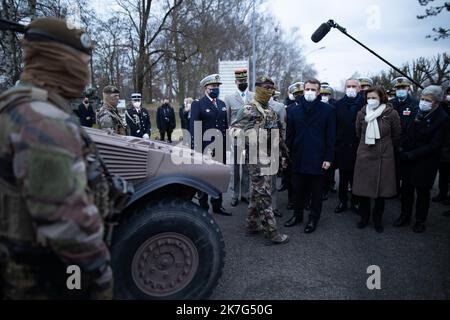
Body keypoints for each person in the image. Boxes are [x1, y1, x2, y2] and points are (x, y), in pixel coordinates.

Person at [0, 17, 113, 299]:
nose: (85, 76)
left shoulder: (17, 103)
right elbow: (67, 227)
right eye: (83, 65)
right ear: (62, 61)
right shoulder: (42, 120)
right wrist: (99, 274)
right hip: (43, 278)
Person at [231, 76, 289, 244]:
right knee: (264, 194)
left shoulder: (270, 111)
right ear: (257, 88)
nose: (269, 91)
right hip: (255, 158)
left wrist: (282, 154)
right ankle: (272, 232)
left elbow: (278, 135)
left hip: (270, 156)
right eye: (266, 87)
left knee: (258, 192)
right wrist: (249, 135)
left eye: (272, 88)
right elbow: (232, 130)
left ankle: (251, 224)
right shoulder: (248, 109)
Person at [394, 85, 448, 233]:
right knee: (406, 190)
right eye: (422, 99)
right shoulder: (417, 111)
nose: (423, 102)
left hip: (426, 161)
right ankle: (404, 216)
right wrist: (401, 147)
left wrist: (412, 154)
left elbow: (434, 145)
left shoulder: (442, 118)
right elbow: (407, 130)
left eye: (427, 100)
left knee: (422, 192)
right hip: (408, 158)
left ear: (436, 102)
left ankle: (420, 220)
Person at [285, 79, 336, 234]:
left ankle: (313, 218)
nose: (309, 92)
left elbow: (331, 137)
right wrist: (286, 156)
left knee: (316, 192)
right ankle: (297, 215)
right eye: (307, 89)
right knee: (297, 189)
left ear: (318, 92)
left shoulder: (328, 110)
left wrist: (328, 158)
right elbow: (289, 136)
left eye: (313, 89)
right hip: (298, 157)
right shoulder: (294, 110)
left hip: (318, 158)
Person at [352, 87, 401, 233]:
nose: (371, 100)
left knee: (381, 192)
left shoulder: (391, 113)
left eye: (374, 97)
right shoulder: (362, 113)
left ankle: (378, 220)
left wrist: (385, 146)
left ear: (382, 98)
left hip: (383, 156)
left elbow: (397, 135)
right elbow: (357, 132)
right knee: (363, 190)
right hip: (364, 154)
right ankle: (364, 218)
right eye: (368, 98)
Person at [190, 74, 231, 216]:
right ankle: (203, 207)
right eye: (213, 87)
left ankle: (217, 205)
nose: (216, 89)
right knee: (204, 177)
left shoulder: (221, 104)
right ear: (205, 88)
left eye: (217, 86)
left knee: (218, 176)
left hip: (220, 148)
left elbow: (225, 126)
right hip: (205, 148)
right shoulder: (198, 104)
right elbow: (194, 128)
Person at [334, 79, 366, 213]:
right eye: (348, 86)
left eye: (354, 86)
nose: (351, 88)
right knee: (343, 176)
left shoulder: (365, 104)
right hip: (342, 146)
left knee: (357, 177)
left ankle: (356, 201)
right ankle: (342, 201)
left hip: (359, 146)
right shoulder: (338, 104)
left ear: (359, 88)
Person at [224, 68, 254, 207]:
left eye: (244, 81)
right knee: (235, 167)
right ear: (236, 82)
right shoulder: (229, 98)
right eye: (240, 81)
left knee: (247, 166)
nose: (242, 83)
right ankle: (235, 194)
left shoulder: (253, 97)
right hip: (236, 137)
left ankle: (246, 193)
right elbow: (227, 118)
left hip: (250, 136)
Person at [391, 77, 419, 195]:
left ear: (408, 88)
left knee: (406, 171)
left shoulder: (415, 104)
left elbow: (413, 125)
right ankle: (395, 189)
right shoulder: (391, 103)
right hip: (392, 142)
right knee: (393, 169)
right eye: (398, 88)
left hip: (407, 143)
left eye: (403, 87)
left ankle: (405, 192)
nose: (400, 90)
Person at [320, 83, 337, 199]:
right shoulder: (317, 105)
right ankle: (321, 189)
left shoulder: (334, 106)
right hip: (319, 140)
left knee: (329, 167)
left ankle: (329, 185)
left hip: (330, 139)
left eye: (326, 94)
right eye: (322, 94)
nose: (324, 96)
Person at [433, 87, 450, 204]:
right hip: (444, 147)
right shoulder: (445, 106)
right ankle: (442, 194)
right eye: (448, 93)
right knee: (443, 173)